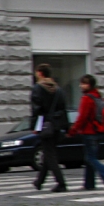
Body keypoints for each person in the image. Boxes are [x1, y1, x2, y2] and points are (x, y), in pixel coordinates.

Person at [68, 74, 104, 191]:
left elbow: (82, 118)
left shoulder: (87, 98)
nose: (81, 85)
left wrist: (72, 131)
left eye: (83, 83)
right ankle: (89, 184)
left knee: (91, 158)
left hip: (89, 132)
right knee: (90, 158)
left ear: (88, 85)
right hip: (98, 131)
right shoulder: (97, 96)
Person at [30, 63, 68, 192]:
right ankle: (39, 181)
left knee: (50, 155)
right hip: (56, 125)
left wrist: (34, 126)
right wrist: (66, 127)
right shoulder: (58, 89)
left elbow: (36, 109)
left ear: (40, 73)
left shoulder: (38, 88)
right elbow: (63, 108)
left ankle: (61, 183)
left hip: (45, 125)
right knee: (48, 153)